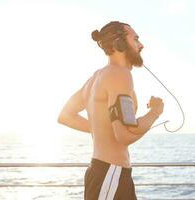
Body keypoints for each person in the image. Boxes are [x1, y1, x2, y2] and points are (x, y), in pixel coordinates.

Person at [58, 21, 164, 200]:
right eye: (136, 39)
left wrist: (102, 127)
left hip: (106, 173)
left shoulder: (96, 77)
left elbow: (66, 116)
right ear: (119, 43)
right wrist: (155, 112)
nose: (141, 44)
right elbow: (125, 136)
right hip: (111, 174)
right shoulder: (119, 75)